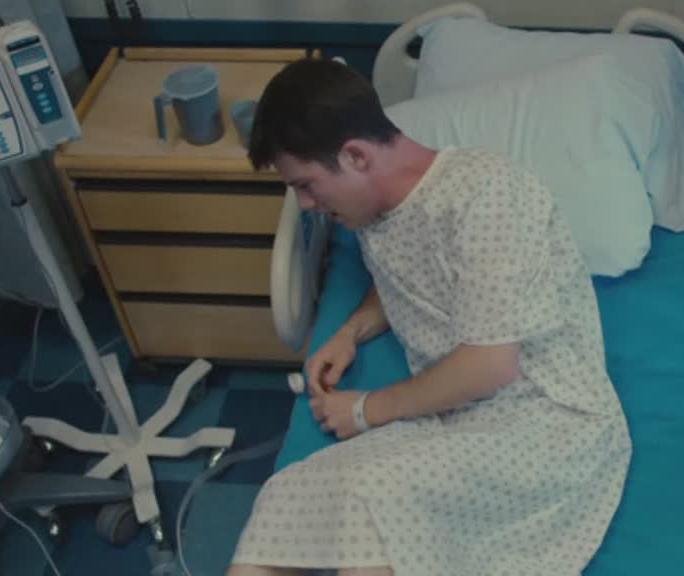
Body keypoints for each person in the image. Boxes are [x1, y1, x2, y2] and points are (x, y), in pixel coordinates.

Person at [227, 58, 631, 576]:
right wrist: (351, 332)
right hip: (455, 419)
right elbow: (410, 272)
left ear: (355, 156)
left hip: (542, 421)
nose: (305, 204)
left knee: (377, 498)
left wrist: (365, 410)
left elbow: (491, 365)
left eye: (306, 185)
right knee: (286, 497)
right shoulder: (376, 209)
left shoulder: (486, 196)